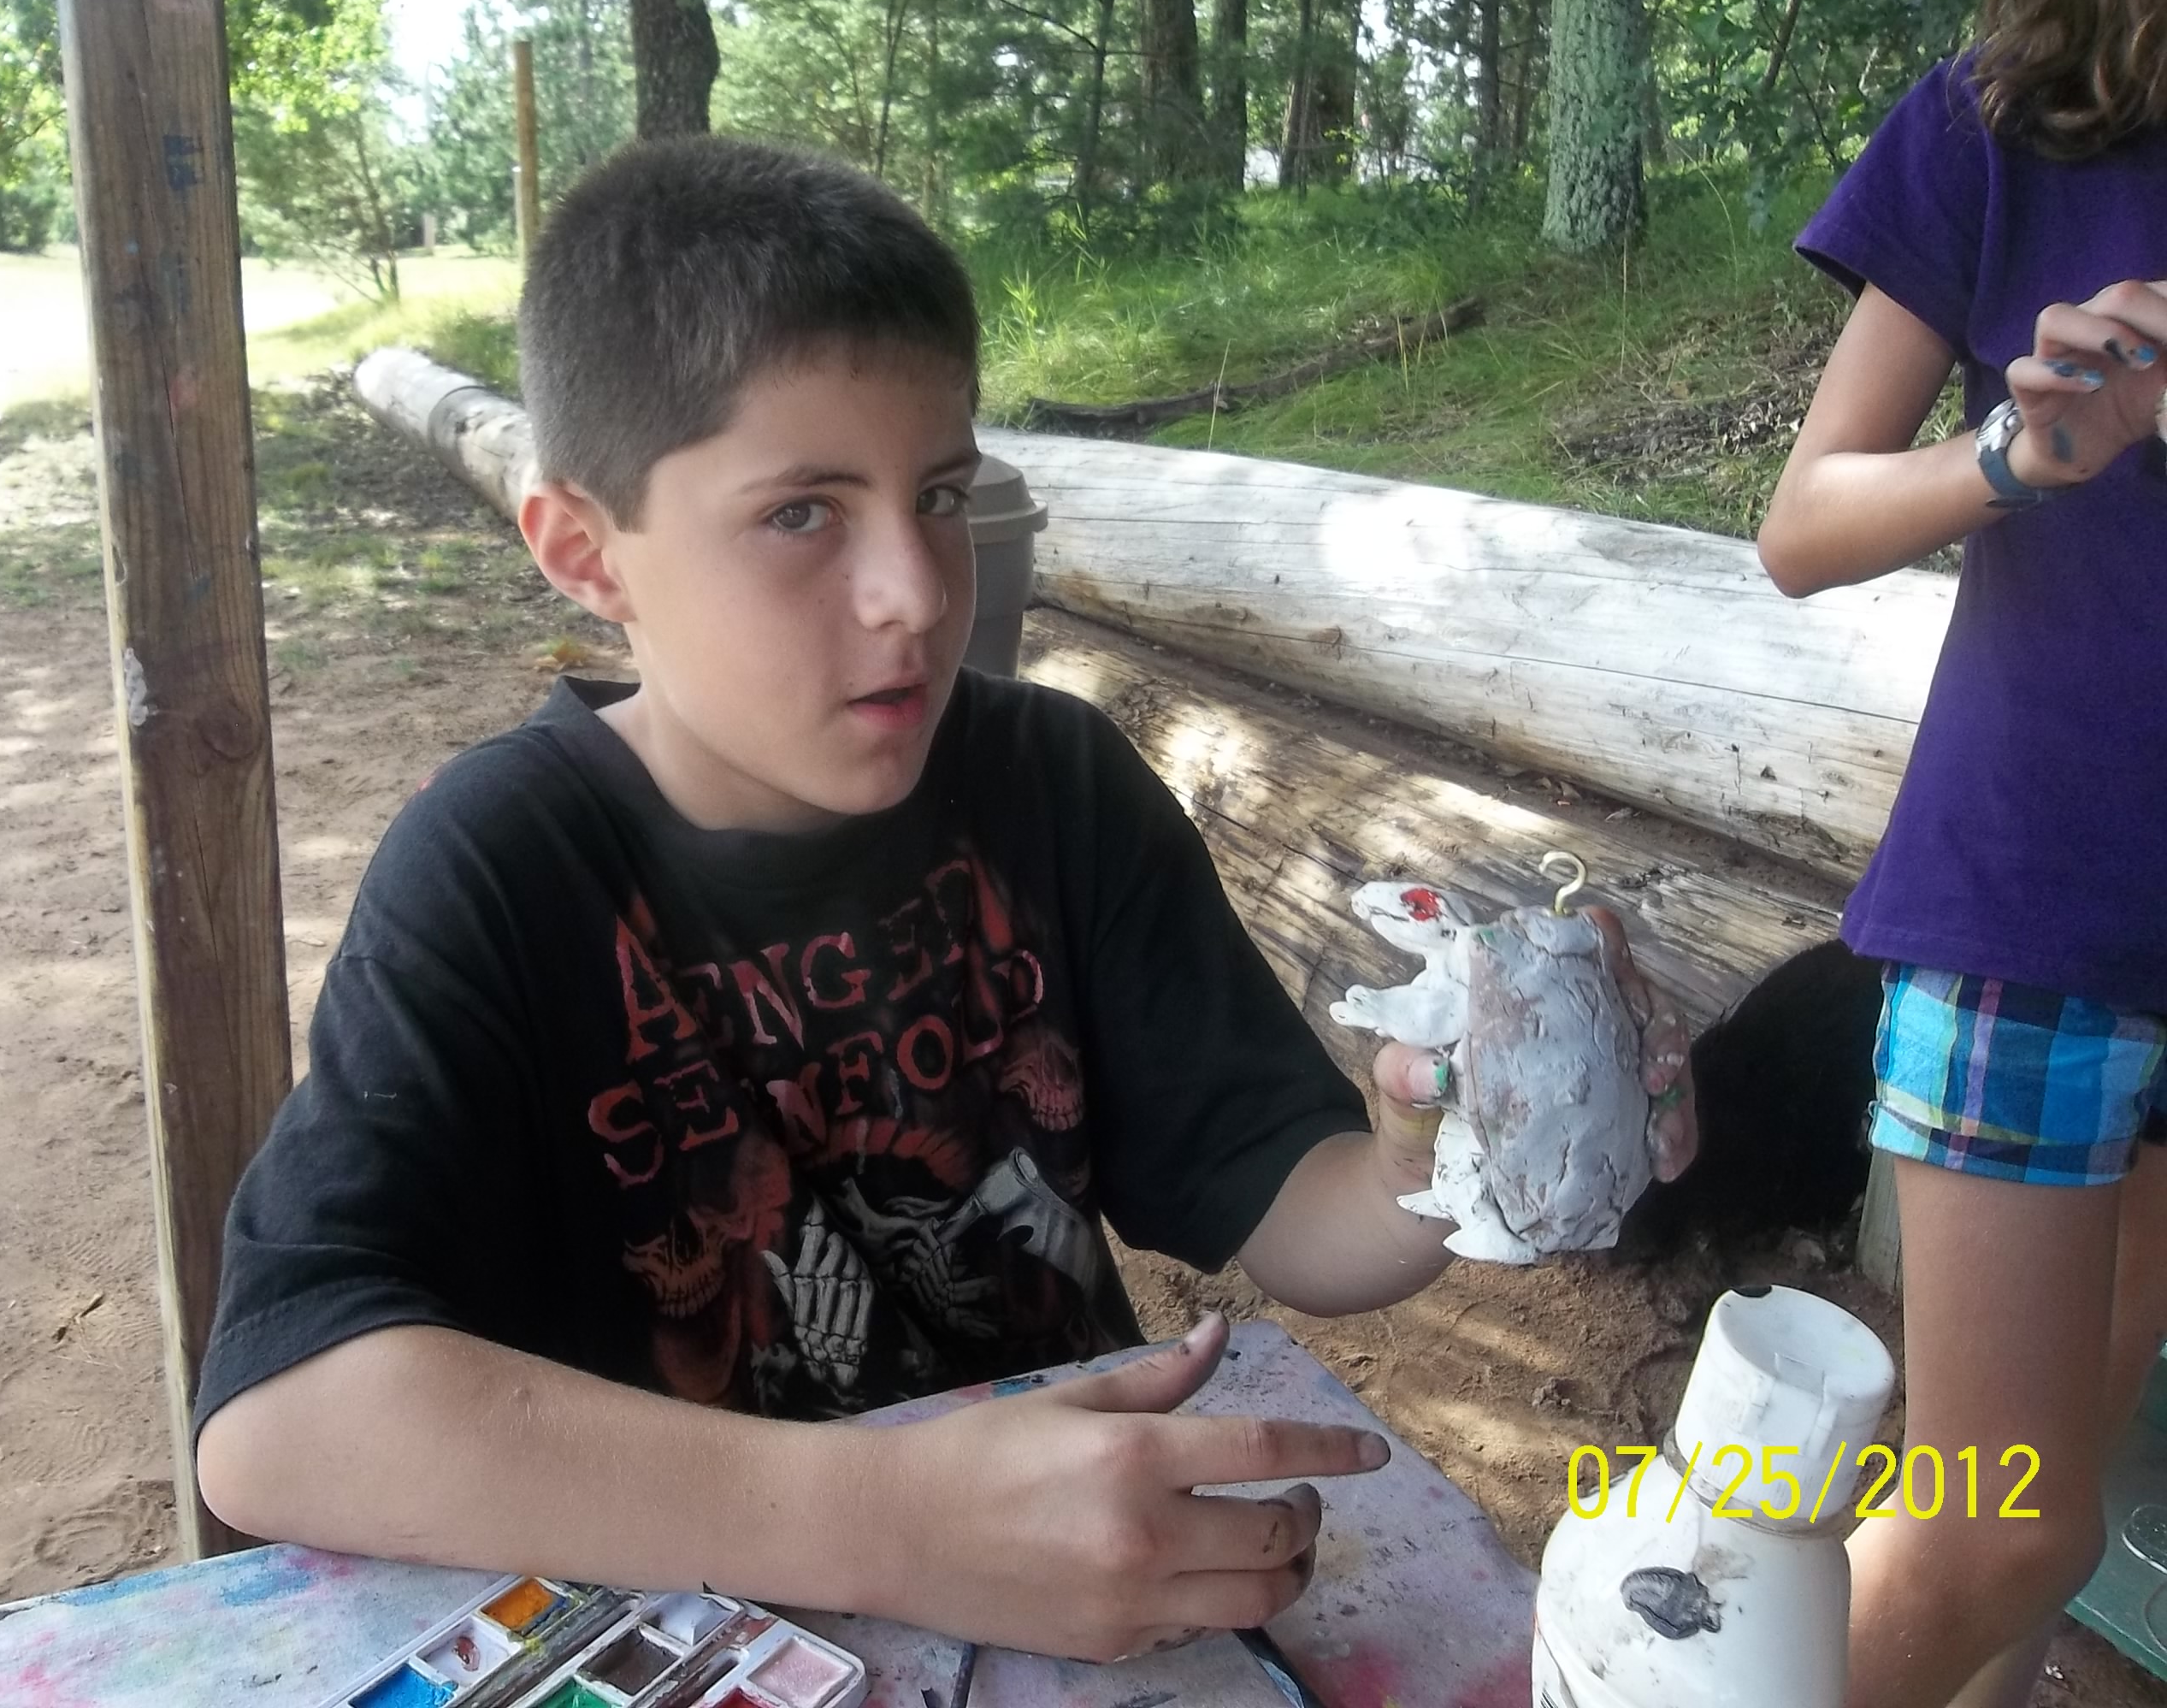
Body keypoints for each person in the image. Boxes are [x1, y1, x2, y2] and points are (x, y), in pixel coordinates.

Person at [192, 137, 1692, 1662]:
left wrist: (1439, 1160)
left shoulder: (1054, 786)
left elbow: (1303, 1220)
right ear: (587, 552)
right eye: (803, 513)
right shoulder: (501, 869)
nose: (915, 592)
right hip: (717, 1641)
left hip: (1086, 1613)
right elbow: (279, 1419)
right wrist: (895, 1525)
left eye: (940, 495)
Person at [1758, 0, 2167, 1702]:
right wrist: (2017, 452)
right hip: (2038, 909)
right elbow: (1804, 522)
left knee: (2061, 1461)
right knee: (2000, 1527)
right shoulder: (2012, 121)